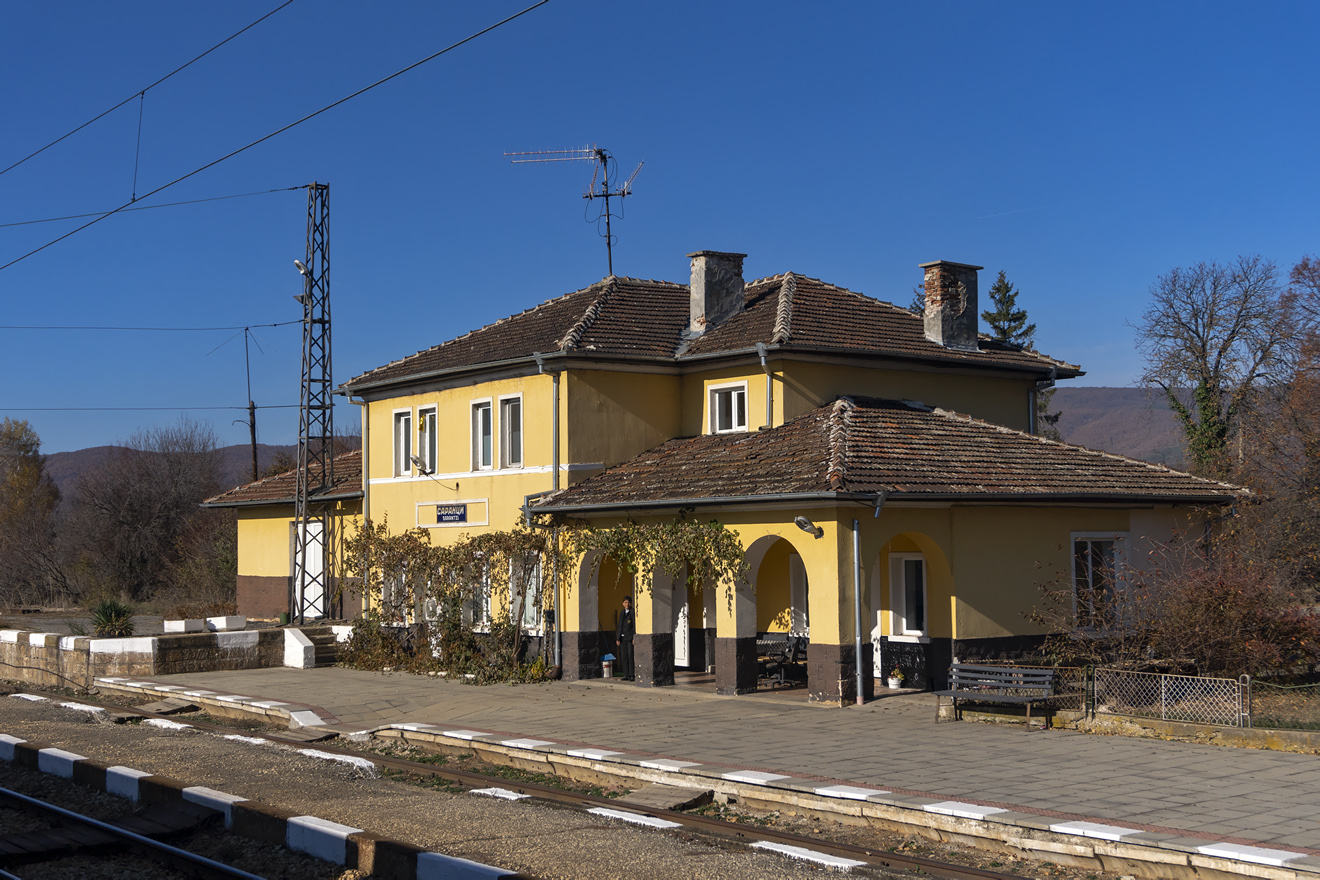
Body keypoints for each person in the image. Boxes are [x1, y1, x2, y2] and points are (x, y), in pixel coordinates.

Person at [615, 596, 635, 681]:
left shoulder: (632, 612)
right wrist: (618, 638)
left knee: (630, 656)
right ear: (623, 603)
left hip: (630, 638)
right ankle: (626, 674)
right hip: (622, 638)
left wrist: (634, 637)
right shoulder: (622, 612)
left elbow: (634, 625)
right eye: (625, 602)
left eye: (628, 602)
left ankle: (632, 675)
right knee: (624, 656)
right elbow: (620, 626)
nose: (627, 604)